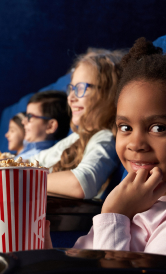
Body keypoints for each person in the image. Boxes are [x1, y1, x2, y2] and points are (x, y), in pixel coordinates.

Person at [46, 38, 166, 260]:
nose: (135, 144)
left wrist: (116, 215)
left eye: (158, 128)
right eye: (125, 127)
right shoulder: (125, 196)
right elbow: (83, 260)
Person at [29, 51, 123, 199]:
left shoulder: (105, 138)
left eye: (80, 88)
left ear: (107, 93)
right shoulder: (75, 138)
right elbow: (35, 161)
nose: (71, 98)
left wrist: (21, 179)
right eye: (71, 89)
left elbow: (81, 183)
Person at [18, 90, 70, 159]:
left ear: (50, 126)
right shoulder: (26, 147)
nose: (23, 122)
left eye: (30, 116)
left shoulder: (40, 160)